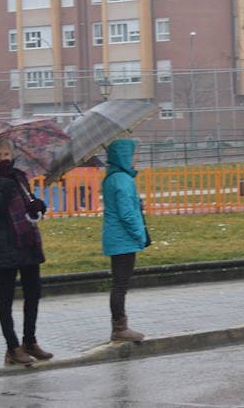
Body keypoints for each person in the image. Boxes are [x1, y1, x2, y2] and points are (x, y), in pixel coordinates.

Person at [0, 138, 52, 366]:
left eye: (6, 154)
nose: (2, 158)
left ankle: (30, 341)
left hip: (27, 241)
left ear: (12, 155)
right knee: (6, 298)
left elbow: (26, 204)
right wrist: (3, 186)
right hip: (4, 244)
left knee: (33, 293)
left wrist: (35, 205)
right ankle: (12, 347)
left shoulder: (19, 176)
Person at [101, 138, 148, 342]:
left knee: (119, 283)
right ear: (123, 156)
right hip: (123, 239)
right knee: (120, 284)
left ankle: (119, 326)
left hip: (117, 237)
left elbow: (126, 205)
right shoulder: (123, 179)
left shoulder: (114, 177)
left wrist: (138, 203)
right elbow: (126, 215)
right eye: (133, 154)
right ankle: (120, 328)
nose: (135, 158)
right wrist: (140, 234)